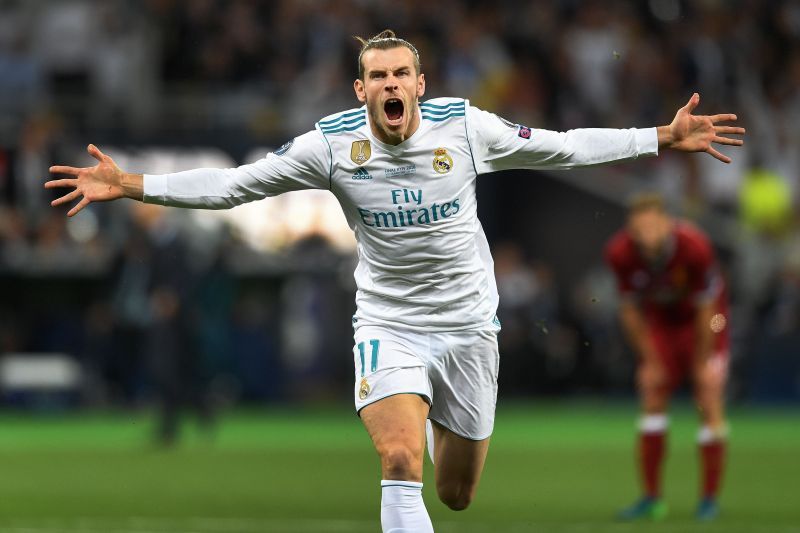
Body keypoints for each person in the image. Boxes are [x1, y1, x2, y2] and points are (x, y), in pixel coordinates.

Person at [45, 30, 743, 533]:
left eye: (399, 74)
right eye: (375, 76)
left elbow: (562, 148)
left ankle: (444, 422)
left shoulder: (466, 129)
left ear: (419, 85)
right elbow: (232, 186)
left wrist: (659, 136)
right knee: (399, 454)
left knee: (457, 493)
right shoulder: (333, 145)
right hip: (388, 323)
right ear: (361, 89)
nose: (388, 85)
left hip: (469, 327)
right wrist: (131, 184)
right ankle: (413, 422)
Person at [605, 194, 730, 522]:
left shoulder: (695, 247)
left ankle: (709, 499)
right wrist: (650, 359)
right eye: (638, 228)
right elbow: (630, 312)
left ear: (666, 223)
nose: (645, 234)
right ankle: (652, 498)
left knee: (708, 396)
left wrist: (703, 362)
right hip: (661, 326)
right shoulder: (620, 253)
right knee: (652, 391)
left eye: (651, 225)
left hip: (706, 324)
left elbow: (707, 308)